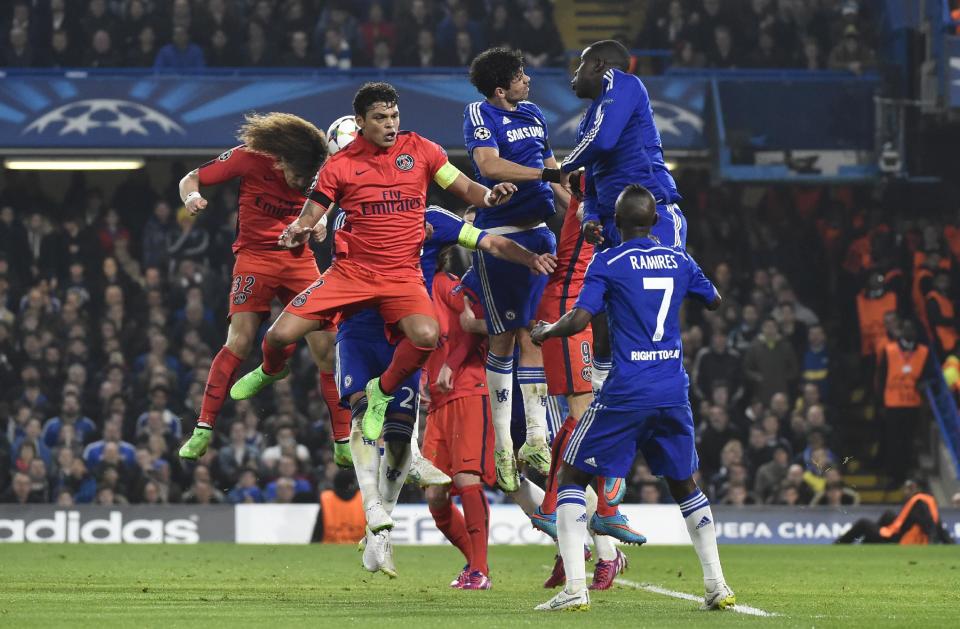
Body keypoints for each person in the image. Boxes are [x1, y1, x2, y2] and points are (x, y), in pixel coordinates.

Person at [230, 82, 540, 560]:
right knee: (278, 337)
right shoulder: (340, 171)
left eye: (394, 115)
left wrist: (492, 195)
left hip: (398, 287)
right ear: (360, 125)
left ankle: (381, 522)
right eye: (381, 118)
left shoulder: (424, 154)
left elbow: (464, 188)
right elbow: (314, 213)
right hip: (353, 288)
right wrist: (298, 231)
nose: (391, 124)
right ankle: (273, 368)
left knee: (421, 352)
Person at [531, 185, 734, 612]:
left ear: (616, 224)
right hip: (672, 389)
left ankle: (574, 589)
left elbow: (581, 317)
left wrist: (547, 331)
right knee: (685, 484)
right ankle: (716, 584)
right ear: (655, 220)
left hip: (627, 389)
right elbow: (714, 301)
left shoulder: (608, 261)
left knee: (570, 474)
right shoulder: (680, 259)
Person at [333, 201, 554, 578]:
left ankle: (506, 559)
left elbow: (477, 323)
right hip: (435, 399)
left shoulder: (452, 286)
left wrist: (452, 362)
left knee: (483, 477)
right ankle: (471, 558)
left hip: (469, 390)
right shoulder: (388, 266)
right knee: (436, 492)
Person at [176, 112, 347, 462]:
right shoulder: (250, 157)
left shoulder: (317, 167)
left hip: (298, 259)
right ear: (280, 160)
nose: (301, 185)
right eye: (297, 177)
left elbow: (324, 203)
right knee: (239, 340)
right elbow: (190, 178)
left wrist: (321, 223)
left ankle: (342, 440)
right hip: (254, 259)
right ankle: (203, 429)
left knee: (327, 349)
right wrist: (191, 198)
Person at [551, 39, 686, 403]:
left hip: (653, 216)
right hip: (613, 224)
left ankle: (661, 384)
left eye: (578, 67)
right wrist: (592, 216)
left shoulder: (625, 84)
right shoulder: (587, 123)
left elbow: (606, 141)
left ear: (598, 65)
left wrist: (562, 166)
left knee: (647, 299)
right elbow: (591, 186)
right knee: (605, 304)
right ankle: (603, 385)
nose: (573, 76)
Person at [460, 47, 567, 490]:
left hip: (541, 231)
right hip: (501, 235)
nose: (529, 81)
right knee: (502, 338)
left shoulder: (535, 114)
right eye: (521, 76)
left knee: (535, 332)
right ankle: (503, 444)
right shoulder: (478, 113)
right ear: (501, 89)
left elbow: (551, 167)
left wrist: (575, 203)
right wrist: (544, 179)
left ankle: (537, 438)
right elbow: (488, 164)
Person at [526, 175, 624, 590]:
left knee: (579, 425)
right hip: (564, 315)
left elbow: (570, 181)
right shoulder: (589, 211)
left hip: (568, 315)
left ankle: (598, 537)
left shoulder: (591, 211)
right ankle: (586, 534)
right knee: (573, 430)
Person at [876, 320, 937, 486]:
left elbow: (930, 375)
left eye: (912, 329)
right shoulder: (889, 350)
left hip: (912, 403)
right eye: (906, 328)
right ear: (901, 331)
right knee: (893, 440)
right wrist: (880, 403)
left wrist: (924, 383)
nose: (910, 332)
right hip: (892, 403)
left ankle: (907, 476)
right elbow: (881, 378)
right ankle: (894, 476)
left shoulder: (924, 351)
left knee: (909, 440)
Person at [835, 480, 952, 544]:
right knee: (888, 514)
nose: (903, 492)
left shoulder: (918, 502)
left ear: (912, 488)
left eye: (905, 489)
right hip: (902, 533)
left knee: (863, 523)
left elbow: (928, 523)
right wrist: (949, 542)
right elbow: (938, 524)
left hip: (899, 538)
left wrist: (932, 540)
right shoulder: (928, 500)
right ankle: (869, 542)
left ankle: (838, 545)